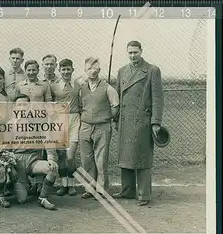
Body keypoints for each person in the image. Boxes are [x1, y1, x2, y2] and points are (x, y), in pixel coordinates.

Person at [114, 40, 164, 206]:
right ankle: (127, 190)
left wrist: (155, 122)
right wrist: (116, 119)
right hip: (125, 120)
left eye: (135, 52)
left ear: (141, 51)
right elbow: (118, 98)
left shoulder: (152, 70)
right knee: (126, 156)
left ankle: (144, 194)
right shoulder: (121, 71)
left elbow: (157, 98)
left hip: (143, 121)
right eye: (130, 52)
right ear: (127, 53)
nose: (133, 55)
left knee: (142, 158)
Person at [78, 57, 119, 199]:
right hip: (85, 126)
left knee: (101, 159)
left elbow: (115, 107)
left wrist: (104, 117)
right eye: (89, 68)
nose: (92, 71)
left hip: (102, 127)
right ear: (85, 70)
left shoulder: (108, 88)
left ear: (99, 70)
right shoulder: (81, 88)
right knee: (86, 159)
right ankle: (90, 189)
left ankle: (102, 189)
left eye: (95, 68)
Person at [10, 94, 60, 211]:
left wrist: (51, 158)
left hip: (33, 159)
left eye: (25, 105)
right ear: (14, 107)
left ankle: (42, 197)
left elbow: (48, 140)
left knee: (53, 168)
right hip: (17, 161)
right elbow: (4, 149)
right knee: (22, 199)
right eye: (19, 105)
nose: (22, 107)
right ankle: (25, 184)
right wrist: (10, 167)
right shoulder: (9, 124)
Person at [51, 58, 82, 196]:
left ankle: (72, 184)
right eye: (63, 69)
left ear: (72, 70)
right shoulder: (54, 86)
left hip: (74, 119)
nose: (66, 72)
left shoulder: (79, 84)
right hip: (59, 120)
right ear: (59, 70)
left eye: (68, 69)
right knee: (61, 155)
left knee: (70, 156)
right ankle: (64, 185)